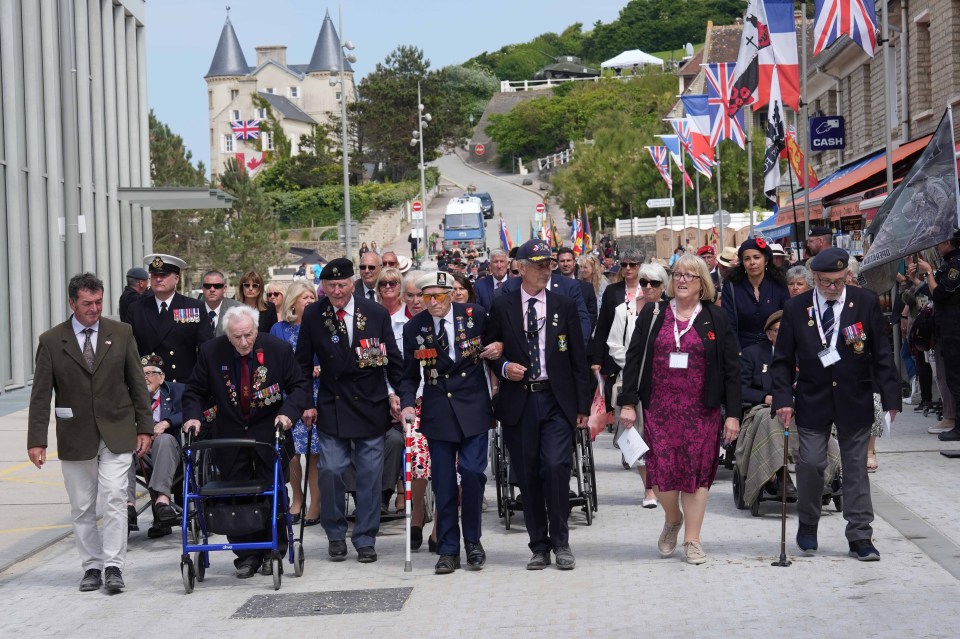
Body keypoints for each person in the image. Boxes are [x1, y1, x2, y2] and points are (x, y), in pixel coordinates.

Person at [772, 248, 901, 561]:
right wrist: (783, 399)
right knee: (812, 462)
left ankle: (860, 536)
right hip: (813, 399)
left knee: (856, 468)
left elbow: (882, 354)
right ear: (814, 277)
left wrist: (891, 397)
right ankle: (808, 520)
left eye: (839, 281)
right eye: (826, 281)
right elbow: (782, 361)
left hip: (853, 397)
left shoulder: (865, 302)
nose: (833, 287)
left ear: (847, 276)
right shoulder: (796, 307)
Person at [27, 273, 153, 593]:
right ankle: (91, 566)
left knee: (114, 497)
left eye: (99, 302)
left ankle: (113, 565)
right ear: (72, 303)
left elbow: (138, 384)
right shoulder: (52, 341)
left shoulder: (121, 333)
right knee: (82, 506)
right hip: (75, 434)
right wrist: (36, 440)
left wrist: (145, 427)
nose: (95, 309)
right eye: (87, 304)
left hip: (117, 429)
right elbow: (41, 395)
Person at [619, 254, 741, 565]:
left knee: (697, 476)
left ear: (703, 284)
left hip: (702, 411)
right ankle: (673, 518)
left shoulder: (715, 317)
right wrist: (629, 402)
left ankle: (693, 539)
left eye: (691, 275)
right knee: (661, 477)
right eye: (679, 275)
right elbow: (633, 359)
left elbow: (731, 369)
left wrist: (733, 414)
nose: (683, 280)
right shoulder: (654, 313)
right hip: (660, 410)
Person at [183, 305, 310, 578]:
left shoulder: (278, 349)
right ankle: (246, 555)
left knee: (272, 492)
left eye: (247, 335)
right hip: (229, 435)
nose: (243, 342)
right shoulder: (211, 352)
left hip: (268, 432)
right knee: (235, 496)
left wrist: (288, 415)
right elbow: (194, 391)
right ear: (227, 335)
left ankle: (273, 549)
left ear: (256, 330)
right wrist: (193, 417)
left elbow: (299, 387)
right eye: (236, 337)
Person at [486, 239, 590, 571]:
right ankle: (539, 545)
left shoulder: (563, 305)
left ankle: (561, 542)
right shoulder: (502, 306)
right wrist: (504, 368)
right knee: (528, 473)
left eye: (549, 265)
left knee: (556, 466)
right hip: (520, 401)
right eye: (541, 265)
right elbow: (492, 352)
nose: (547, 270)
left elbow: (578, 359)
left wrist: (583, 407)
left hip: (556, 400)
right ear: (523, 269)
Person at [296, 258, 402, 564]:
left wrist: (400, 396)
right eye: (331, 286)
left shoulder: (376, 313)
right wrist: (306, 402)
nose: (338, 291)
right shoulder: (315, 314)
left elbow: (392, 360)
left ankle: (366, 537)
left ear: (352, 284)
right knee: (330, 469)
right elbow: (302, 364)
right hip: (333, 403)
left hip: (370, 404)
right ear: (323, 287)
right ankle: (335, 532)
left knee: (370, 474)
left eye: (342, 285)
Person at [399, 272, 492, 574]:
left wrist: (500, 353)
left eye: (439, 296)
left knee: (473, 473)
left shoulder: (474, 315)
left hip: (473, 406)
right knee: (443, 482)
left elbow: (496, 345)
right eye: (427, 297)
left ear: (452, 294)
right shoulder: (416, 327)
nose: (433, 302)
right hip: (439, 410)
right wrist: (408, 404)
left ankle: (474, 541)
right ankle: (448, 549)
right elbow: (410, 374)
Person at [607, 261, 668, 507]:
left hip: (664, 380)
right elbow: (614, 345)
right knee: (639, 434)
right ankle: (648, 491)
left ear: (664, 285)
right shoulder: (624, 310)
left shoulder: (673, 310)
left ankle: (666, 486)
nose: (648, 287)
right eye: (644, 282)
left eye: (654, 283)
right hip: (632, 378)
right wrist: (636, 364)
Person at [270, 280, 321, 526]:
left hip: (318, 393)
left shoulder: (321, 326)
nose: (310, 301)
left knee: (314, 453)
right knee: (292, 453)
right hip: (290, 397)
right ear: (293, 302)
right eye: (305, 298)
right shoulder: (278, 329)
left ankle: (316, 504)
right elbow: (271, 362)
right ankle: (297, 499)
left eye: (312, 297)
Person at [126, 254, 212, 383]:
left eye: (164, 275)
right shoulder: (137, 309)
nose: (158, 279)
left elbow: (206, 349)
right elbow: (129, 350)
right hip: (147, 384)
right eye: (154, 275)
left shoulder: (194, 307)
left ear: (176, 279)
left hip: (182, 385)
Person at [127, 355, 185, 539]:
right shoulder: (129, 397)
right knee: (121, 451)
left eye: (150, 373)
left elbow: (194, 410)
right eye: (141, 374)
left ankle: (162, 500)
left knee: (164, 439)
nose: (145, 378)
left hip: (169, 453)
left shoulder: (177, 391)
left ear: (161, 377)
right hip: (139, 454)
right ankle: (128, 505)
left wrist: (167, 422)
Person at [918, 230, 960, 441]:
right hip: (947, 328)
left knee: (955, 378)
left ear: (950, 243)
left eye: (941, 242)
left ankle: (958, 425)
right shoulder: (949, 263)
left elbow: (941, 293)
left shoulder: (956, 265)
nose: (937, 246)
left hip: (954, 329)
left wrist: (929, 273)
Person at [721, 238, 790, 350]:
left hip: (774, 349)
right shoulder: (731, 287)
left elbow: (786, 320)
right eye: (747, 259)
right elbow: (729, 325)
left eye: (757, 257)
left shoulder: (779, 285)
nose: (752, 262)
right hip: (742, 350)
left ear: (766, 260)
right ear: (742, 263)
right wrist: (737, 354)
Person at [200, 270, 240, 337]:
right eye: (207, 286)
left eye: (217, 286)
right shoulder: (193, 308)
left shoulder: (238, 309)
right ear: (202, 288)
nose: (212, 289)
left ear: (224, 288)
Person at [235, 270, 277, 334]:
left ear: (260, 289)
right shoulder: (233, 307)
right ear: (242, 288)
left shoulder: (270, 308)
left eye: (254, 286)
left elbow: (273, 334)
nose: (250, 288)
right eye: (247, 285)